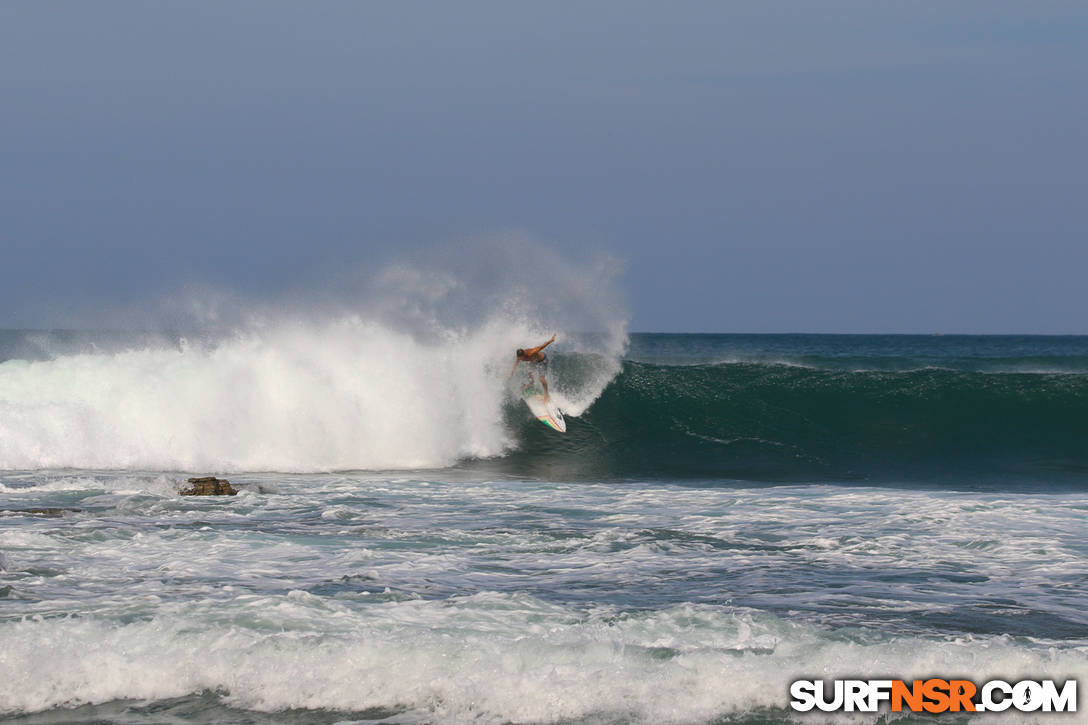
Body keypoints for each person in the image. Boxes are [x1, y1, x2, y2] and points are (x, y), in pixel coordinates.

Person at [509, 334, 556, 401]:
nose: (520, 359)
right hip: (534, 361)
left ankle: (547, 394)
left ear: (524, 355)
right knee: (529, 372)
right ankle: (531, 384)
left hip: (542, 361)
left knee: (541, 378)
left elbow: (542, 346)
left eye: (521, 358)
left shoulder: (531, 352)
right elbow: (516, 362)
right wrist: (512, 371)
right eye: (519, 358)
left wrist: (551, 340)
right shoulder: (519, 357)